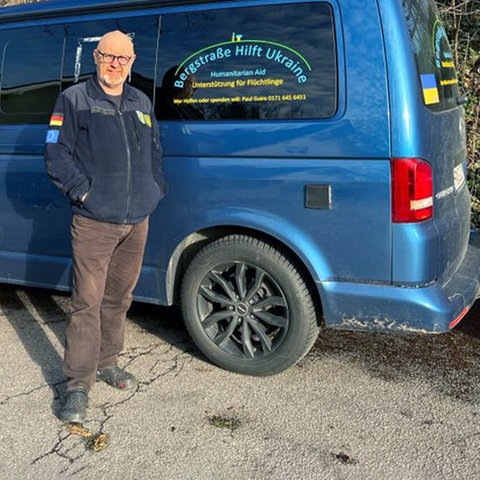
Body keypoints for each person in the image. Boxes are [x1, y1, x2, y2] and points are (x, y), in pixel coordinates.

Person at [45, 30, 167, 423]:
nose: (116, 64)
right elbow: (55, 152)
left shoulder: (141, 101)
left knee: (119, 299)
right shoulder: (75, 99)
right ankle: (77, 384)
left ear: (132, 62)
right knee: (86, 304)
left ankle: (108, 362)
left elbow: (154, 151)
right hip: (95, 221)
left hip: (136, 221)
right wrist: (83, 193)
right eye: (109, 56)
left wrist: (155, 189)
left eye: (124, 59)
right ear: (96, 56)